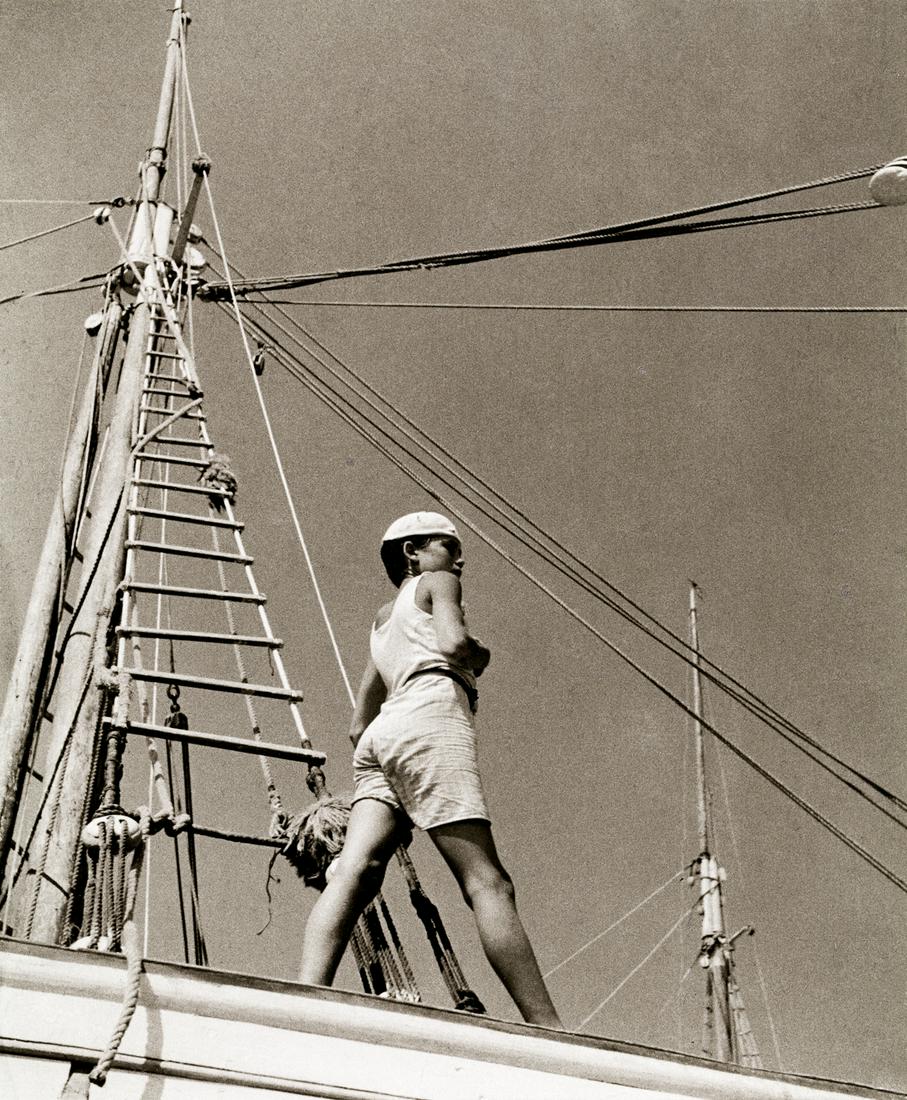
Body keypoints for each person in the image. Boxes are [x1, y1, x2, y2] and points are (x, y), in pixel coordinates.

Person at [299, 511, 562, 1028]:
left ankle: (305, 993)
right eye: (448, 545)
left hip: (381, 737)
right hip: (429, 719)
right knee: (488, 884)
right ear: (412, 553)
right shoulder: (440, 582)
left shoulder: (381, 619)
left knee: (354, 872)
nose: (460, 557)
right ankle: (549, 1027)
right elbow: (454, 644)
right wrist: (478, 655)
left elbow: (358, 723)